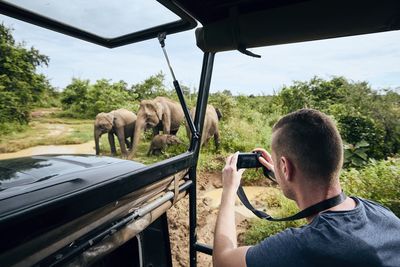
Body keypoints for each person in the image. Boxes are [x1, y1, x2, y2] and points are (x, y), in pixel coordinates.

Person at [213, 108, 400, 267]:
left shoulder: (305, 245)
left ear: (286, 167)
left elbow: (223, 260)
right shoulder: (382, 214)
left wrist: (230, 190)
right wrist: (279, 173)